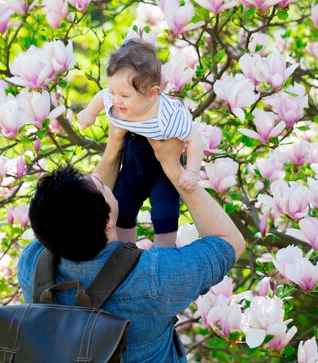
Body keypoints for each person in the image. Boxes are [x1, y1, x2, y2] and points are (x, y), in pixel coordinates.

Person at [17, 126, 245, 363]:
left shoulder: (31, 263)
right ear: (107, 223)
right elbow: (230, 242)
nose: (103, 181)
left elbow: (78, 212)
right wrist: (175, 170)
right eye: (104, 188)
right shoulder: (154, 278)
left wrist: (114, 147)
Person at [77, 39, 204, 247]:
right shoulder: (115, 99)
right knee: (121, 207)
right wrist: (90, 112)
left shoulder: (168, 115)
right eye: (114, 92)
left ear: (152, 93)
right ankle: (126, 252)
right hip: (132, 163)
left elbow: (194, 138)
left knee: (165, 215)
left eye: (124, 95)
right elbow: (102, 97)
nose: (116, 100)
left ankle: (164, 255)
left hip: (162, 172)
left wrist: (191, 172)